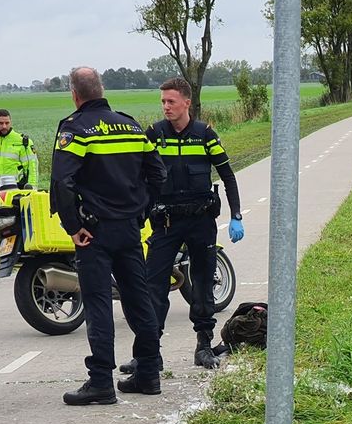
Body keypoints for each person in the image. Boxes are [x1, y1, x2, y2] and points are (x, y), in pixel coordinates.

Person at [50, 67, 166, 406]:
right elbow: (157, 174)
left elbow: (62, 182)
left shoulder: (75, 129)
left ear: (75, 94)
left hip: (94, 232)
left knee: (99, 303)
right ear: (101, 90)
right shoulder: (130, 125)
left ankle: (101, 381)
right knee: (138, 299)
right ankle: (148, 373)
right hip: (129, 227)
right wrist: (142, 210)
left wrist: (73, 226)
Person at [128, 76, 243, 374]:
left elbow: (227, 175)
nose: (166, 107)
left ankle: (203, 347)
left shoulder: (205, 133)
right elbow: (137, 176)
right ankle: (148, 354)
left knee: (203, 283)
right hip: (165, 223)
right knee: (153, 287)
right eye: (163, 102)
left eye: (171, 101)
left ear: (186, 103)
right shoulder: (153, 133)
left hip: (201, 220)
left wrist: (236, 216)